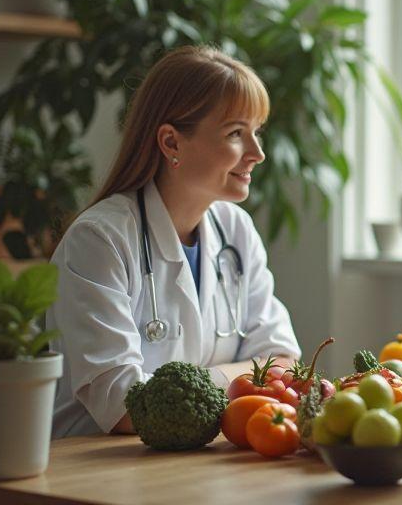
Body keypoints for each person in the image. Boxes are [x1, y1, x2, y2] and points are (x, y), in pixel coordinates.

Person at [48, 46, 301, 438]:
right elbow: (125, 407)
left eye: (257, 132)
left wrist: (190, 387)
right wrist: (242, 378)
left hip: (197, 457)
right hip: (97, 463)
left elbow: (284, 363)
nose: (258, 154)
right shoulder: (98, 240)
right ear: (171, 143)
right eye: (236, 133)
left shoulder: (235, 229)